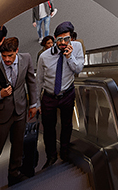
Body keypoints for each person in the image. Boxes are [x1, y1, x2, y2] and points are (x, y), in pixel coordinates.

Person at [0, 35, 39, 188]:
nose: (7, 59)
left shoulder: (26, 59)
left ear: (17, 51)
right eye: (4, 56)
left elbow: (31, 81)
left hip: (20, 111)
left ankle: (14, 173)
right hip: (0, 116)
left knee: (18, 145)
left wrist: (33, 104)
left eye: (10, 56)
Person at [36, 21, 83, 171]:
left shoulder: (77, 48)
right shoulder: (44, 57)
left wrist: (70, 57)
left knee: (67, 124)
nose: (63, 43)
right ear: (55, 39)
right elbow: (39, 81)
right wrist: (36, 103)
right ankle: (51, 156)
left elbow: (79, 69)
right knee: (48, 128)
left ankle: (64, 151)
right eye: (59, 40)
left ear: (71, 38)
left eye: (67, 39)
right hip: (49, 97)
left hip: (67, 94)